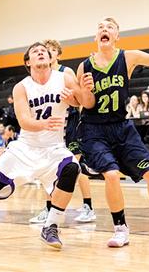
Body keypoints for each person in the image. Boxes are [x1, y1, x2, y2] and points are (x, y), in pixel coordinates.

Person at [0, 42, 95, 251]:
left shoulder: (65, 78)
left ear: (51, 58)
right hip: (25, 148)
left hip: (54, 148)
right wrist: (44, 124)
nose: (41, 52)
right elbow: (24, 122)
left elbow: (87, 103)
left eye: (44, 50)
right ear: (27, 62)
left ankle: (51, 226)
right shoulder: (22, 87)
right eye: (35, 51)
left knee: (72, 168)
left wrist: (86, 90)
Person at [77, 16, 149, 247]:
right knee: (112, 175)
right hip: (95, 130)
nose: (104, 30)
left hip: (122, 128)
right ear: (96, 37)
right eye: (100, 27)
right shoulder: (84, 66)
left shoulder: (127, 57)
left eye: (110, 28)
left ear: (117, 36)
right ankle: (120, 228)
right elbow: (85, 104)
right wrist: (85, 91)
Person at [28, 38, 97, 225]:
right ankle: (49, 208)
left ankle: (88, 206)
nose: (47, 53)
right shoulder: (40, 76)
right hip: (53, 126)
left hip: (72, 122)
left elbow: (79, 97)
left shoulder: (65, 72)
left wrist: (84, 122)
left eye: (51, 50)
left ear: (58, 54)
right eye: (45, 49)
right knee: (47, 167)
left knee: (77, 165)